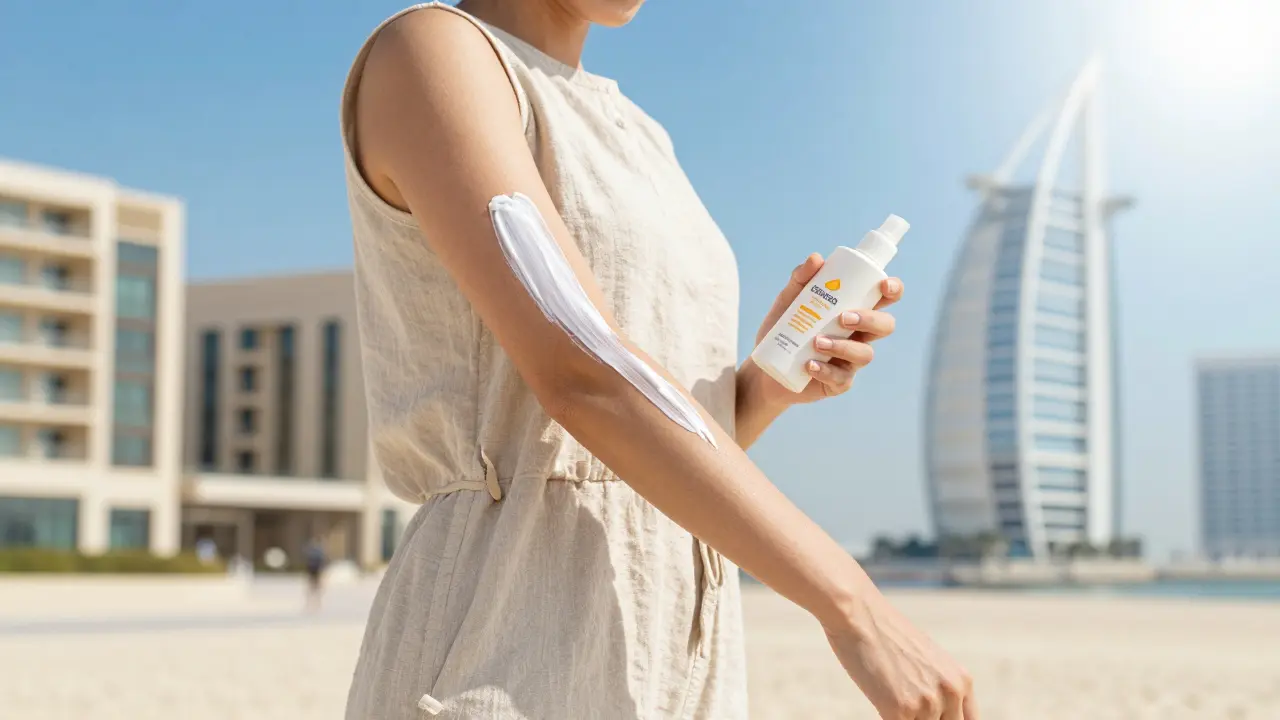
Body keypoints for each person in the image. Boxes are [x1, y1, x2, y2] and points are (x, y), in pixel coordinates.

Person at [340, 2, 977, 719]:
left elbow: (638, 439)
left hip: (685, 638)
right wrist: (854, 605)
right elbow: (582, 373)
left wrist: (760, 390)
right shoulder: (437, 54)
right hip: (505, 631)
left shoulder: (642, 134)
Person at [304, 537, 328, 611]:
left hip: (314, 571)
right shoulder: (317, 551)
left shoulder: (314, 551)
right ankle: (314, 601)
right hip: (314, 571)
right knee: (314, 587)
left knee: (314, 587)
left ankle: (315, 602)